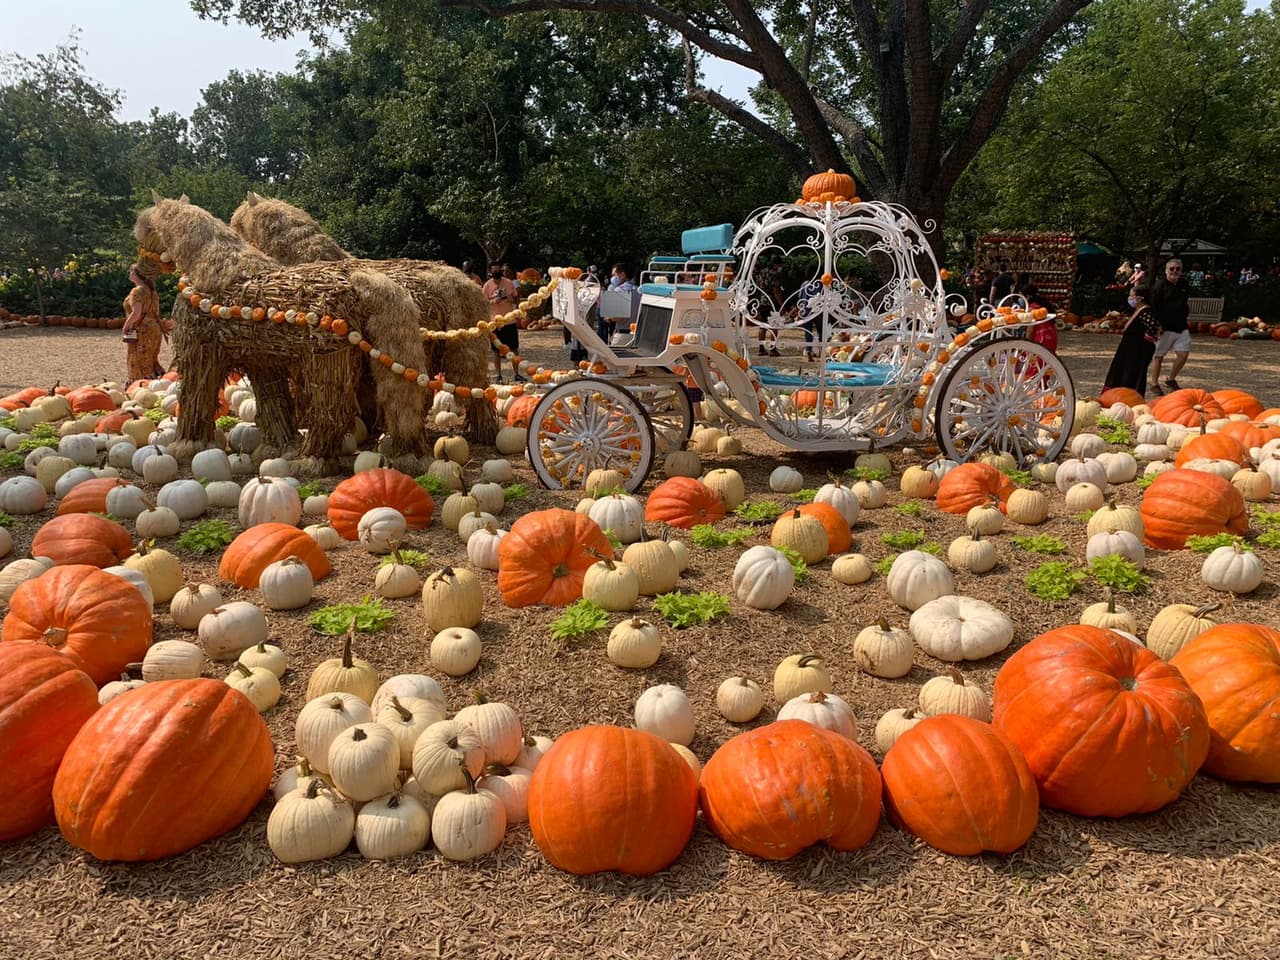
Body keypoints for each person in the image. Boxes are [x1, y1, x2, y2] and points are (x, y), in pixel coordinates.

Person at [1104, 279, 1160, 396]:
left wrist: (1146, 339)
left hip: (1137, 349)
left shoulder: (1146, 311)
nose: (1130, 298)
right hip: (1129, 348)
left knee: (1132, 372)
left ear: (1140, 298)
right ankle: (1116, 394)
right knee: (1122, 371)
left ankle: (1130, 396)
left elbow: (1153, 326)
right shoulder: (1138, 310)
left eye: (1132, 296)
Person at [1148, 258, 1190, 394]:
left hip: (1181, 325)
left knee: (1183, 354)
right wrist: (1156, 324)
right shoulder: (1159, 286)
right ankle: (1154, 383)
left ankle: (1171, 379)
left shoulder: (1184, 284)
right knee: (1159, 356)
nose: (1175, 271)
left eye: (1178, 269)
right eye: (1172, 268)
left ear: (1181, 271)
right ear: (1166, 270)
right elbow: (1153, 306)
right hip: (1164, 327)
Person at [122, 264, 169, 383]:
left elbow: (136, 313)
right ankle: (154, 384)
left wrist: (126, 325)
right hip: (155, 329)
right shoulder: (152, 292)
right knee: (150, 359)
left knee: (138, 360)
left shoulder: (137, 291)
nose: (129, 273)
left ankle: (139, 386)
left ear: (137, 274)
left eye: (131, 271)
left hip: (141, 330)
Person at [484, 262, 522, 382]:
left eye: (498, 270)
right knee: (496, 351)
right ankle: (499, 375)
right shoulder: (487, 286)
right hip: (495, 322)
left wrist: (510, 299)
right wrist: (494, 301)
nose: (497, 272)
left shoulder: (509, 283)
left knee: (514, 348)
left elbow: (516, 298)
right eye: (494, 271)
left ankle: (517, 373)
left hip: (509, 321)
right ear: (491, 272)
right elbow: (483, 304)